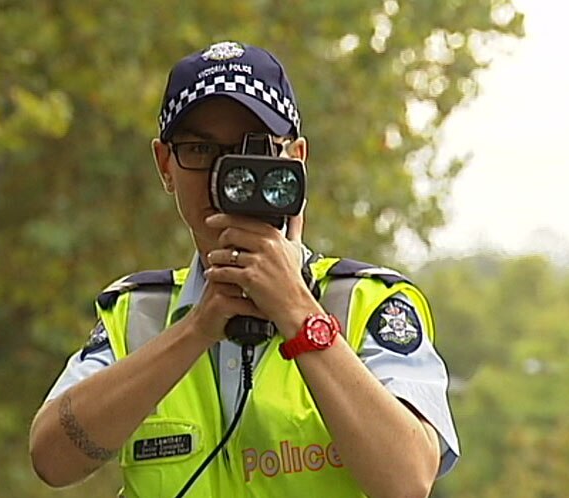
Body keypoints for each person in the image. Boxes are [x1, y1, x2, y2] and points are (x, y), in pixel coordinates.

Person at [29, 40, 460, 498]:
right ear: (165, 164)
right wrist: (196, 329)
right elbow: (52, 460)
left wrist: (296, 310)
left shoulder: (364, 304)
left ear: (295, 159)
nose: (225, 174)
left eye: (250, 148)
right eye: (200, 149)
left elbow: (409, 479)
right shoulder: (140, 315)